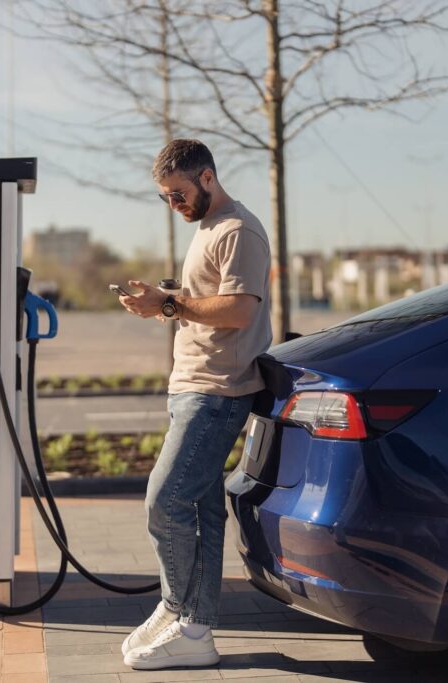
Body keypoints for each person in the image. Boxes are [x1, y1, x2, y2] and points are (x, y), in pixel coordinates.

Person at [115, 139, 273, 670]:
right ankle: (194, 628)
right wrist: (162, 304)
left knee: (164, 502)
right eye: (165, 198)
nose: (174, 205)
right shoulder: (206, 229)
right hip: (193, 386)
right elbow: (202, 304)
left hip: (218, 390)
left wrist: (169, 302)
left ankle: (177, 607)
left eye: (179, 193)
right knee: (200, 512)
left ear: (207, 177)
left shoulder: (238, 230)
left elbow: (238, 311)